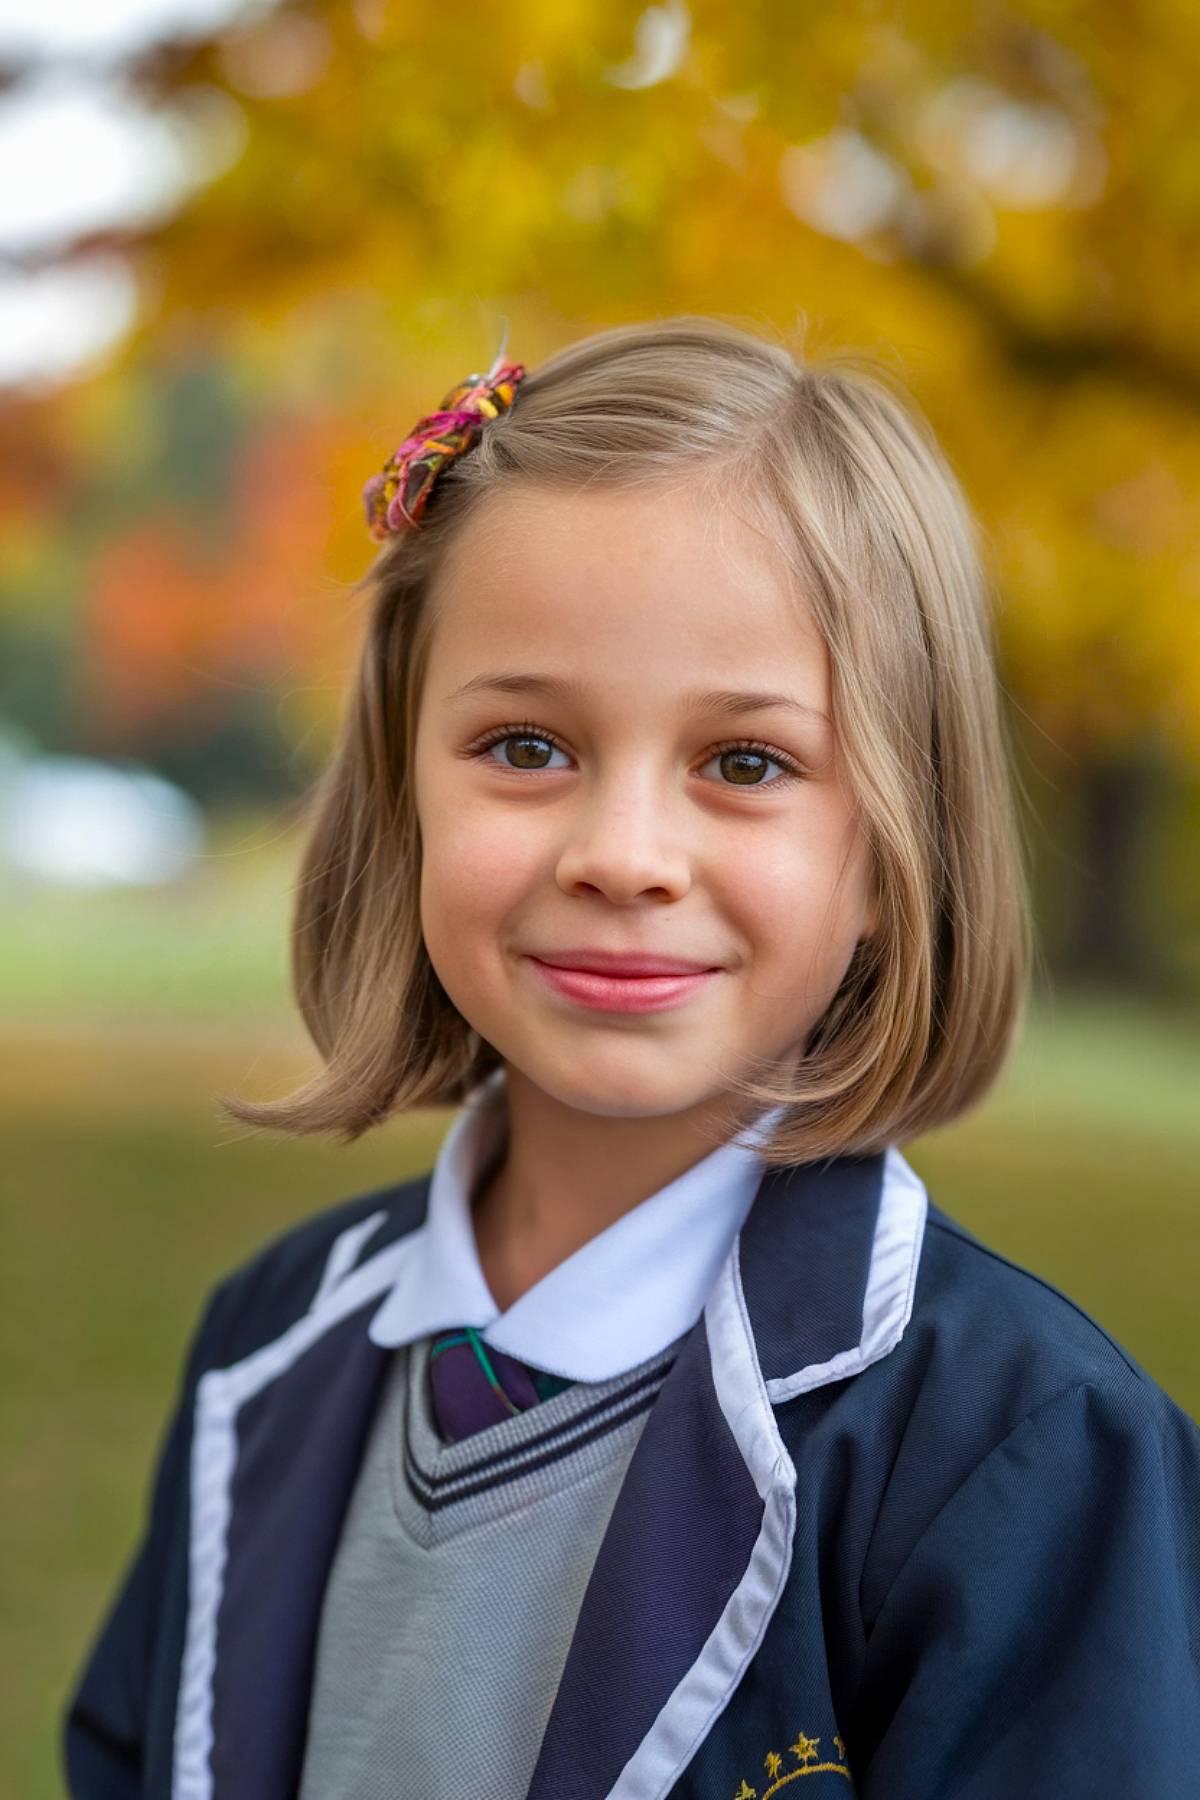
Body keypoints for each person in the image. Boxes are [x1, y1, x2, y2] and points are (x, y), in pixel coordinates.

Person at [62, 317, 1200, 1799]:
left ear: (887, 852)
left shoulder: (1021, 1451)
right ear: (404, 792)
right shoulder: (267, 1348)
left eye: (746, 764)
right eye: (528, 747)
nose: (622, 856)